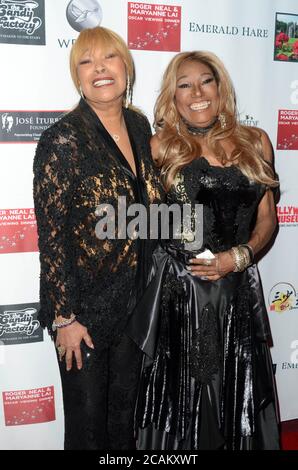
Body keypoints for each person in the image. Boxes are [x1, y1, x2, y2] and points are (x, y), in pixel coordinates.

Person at [127, 51, 280, 450]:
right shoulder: (160, 147)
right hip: (184, 296)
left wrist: (238, 258)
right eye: (184, 84)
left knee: (238, 396)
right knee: (185, 404)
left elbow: (267, 220)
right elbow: (145, 224)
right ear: (172, 97)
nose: (197, 92)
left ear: (220, 87)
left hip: (237, 291)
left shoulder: (256, 141)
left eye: (205, 80)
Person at [33, 26, 161, 450]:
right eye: (86, 61)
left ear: (126, 67)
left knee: (124, 423)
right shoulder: (62, 140)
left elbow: (151, 211)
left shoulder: (142, 126)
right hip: (83, 313)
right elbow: (52, 238)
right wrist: (65, 318)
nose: (100, 68)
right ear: (77, 77)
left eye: (109, 57)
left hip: (135, 303)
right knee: (88, 431)